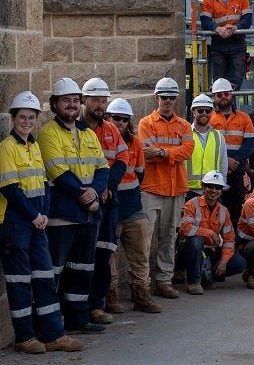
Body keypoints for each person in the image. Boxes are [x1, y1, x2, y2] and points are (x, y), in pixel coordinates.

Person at [0, 91, 84, 354]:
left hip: (35, 223)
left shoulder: (33, 147)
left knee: (45, 278)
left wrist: (42, 215)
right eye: (22, 117)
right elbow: (11, 190)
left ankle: (53, 334)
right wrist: (35, 216)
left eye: (31, 118)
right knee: (20, 282)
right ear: (13, 118)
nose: (27, 122)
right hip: (13, 224)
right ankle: (25, 337)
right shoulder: (6, 149)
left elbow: (43, 184)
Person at [37, 78, 109, 335]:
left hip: (88, 214)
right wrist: (87, 196)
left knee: (83, 269)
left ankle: (78, 319)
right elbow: (58, 172)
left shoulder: (88, 133)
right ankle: (52, 325)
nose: (71, 105)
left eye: (75, 100)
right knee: (55, 271)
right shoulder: (48, 133)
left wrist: (95, 195)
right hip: (63, 214)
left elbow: (102, 167)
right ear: (54, 104)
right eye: (65, 100)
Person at [138, 77, 195, 300]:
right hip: (152, 188)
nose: (168, 101)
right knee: (145, 239)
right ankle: (142, 284)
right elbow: (146, 151)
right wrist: (173, 152)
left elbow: (188, 150)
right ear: (157, 98)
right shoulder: (146, 123)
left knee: (169, 237)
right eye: (165, 97)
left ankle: (164, 281)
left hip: (176, 188)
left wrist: (162, 153)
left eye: (172, 97)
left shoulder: (183, 125)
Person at [103, 98, 161, 314]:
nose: (119, 122)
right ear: (107, 118)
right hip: (111, 207)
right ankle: (111, 296)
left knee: (140, 255)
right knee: (109, 256)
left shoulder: (135, 143)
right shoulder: (100, 140)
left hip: (133, 207)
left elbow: (139, 172)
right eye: (115, 118)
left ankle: (141, 296)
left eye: (124, 119)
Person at [80, 78, 127, 326]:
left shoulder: (111, 130)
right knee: (80, 255)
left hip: (108, 199)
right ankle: (78, 307)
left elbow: (121, 159)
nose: (101, 105)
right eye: (96, 100)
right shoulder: (74, 128)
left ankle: (96, 304)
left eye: (103, 100)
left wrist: (108, 187)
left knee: (104, 252)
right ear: (84, 101)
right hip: (82, 199)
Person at [178, 170, 245, 294]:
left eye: (218, 187)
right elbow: (185, 228)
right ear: (203, 187)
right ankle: (194, 282)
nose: (214, 190)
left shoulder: (224, 211)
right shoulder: (191, 205)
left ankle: (207, 277)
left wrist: (224, 261)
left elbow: (229, 240)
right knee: (195, 241)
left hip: (210, 251)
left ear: (222, 190)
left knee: (239, 263)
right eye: (210, 186)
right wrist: (210, 233)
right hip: (189, 249)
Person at [209, 78, 254, 222]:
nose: (223, 97)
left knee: (235, 211)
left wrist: (234, 161)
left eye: (226, 93)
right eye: (219, 95)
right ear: (214, 97)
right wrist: (225, 161)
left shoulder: (244, 118)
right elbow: (206, 145)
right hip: (214, 172)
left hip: (236, 172)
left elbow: (250, 145)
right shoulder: (208, 117)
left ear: (231, 94)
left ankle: (233, 242)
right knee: (213, 211)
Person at [200, 0, 253, 91]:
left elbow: (248, 19)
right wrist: (218, 29)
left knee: (236, 79)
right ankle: (221, 109)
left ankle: (231, 109)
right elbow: (205, 21)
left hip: (237, 43)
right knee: (219, 81)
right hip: (219, 44)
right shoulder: (209, 0)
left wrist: (236, 27)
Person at [186, 93, 226, 198]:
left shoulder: (218, 136)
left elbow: (223, 165)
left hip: (212, 190)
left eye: (208, 111)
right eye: (200, 110)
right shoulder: (185, 134)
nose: (204, 113)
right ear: (193, 112)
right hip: (189, 191)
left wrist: (221, 187)